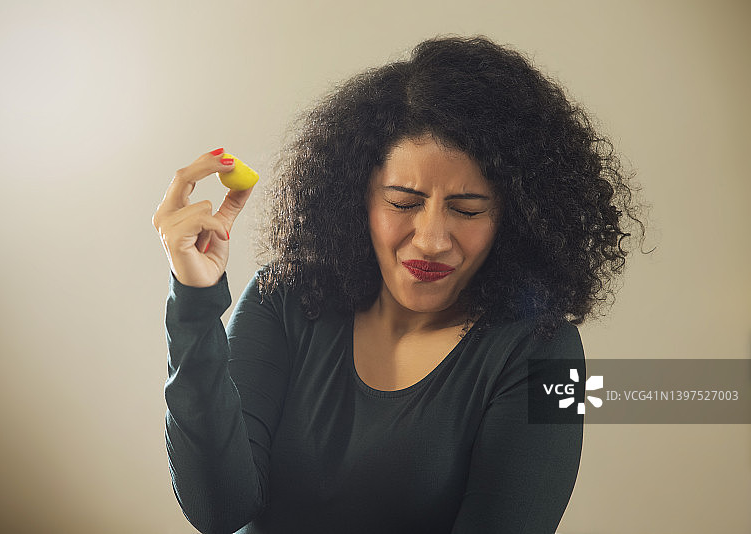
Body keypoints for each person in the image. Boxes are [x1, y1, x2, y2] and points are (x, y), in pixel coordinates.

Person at [152, 35, 642, 534]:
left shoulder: (545, 353)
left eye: (468, 209)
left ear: (513, 218)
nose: (430, 240)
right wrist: (193, 301)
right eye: (403, 203)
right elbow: (219, 509)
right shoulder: (285, 297)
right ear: (355, 196)